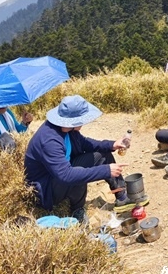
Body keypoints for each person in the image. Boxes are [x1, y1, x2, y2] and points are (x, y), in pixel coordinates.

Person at [24, 95, 143, 223]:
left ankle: (121, 197)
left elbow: (85, 143)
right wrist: (105, 171)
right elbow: (66, 175)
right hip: (47, 187)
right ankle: (77, 211)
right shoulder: (49, 140)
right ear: (73, 121)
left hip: (62, 172)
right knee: (78, 173)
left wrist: (112, 145)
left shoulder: (67, 129)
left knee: (103, 155)